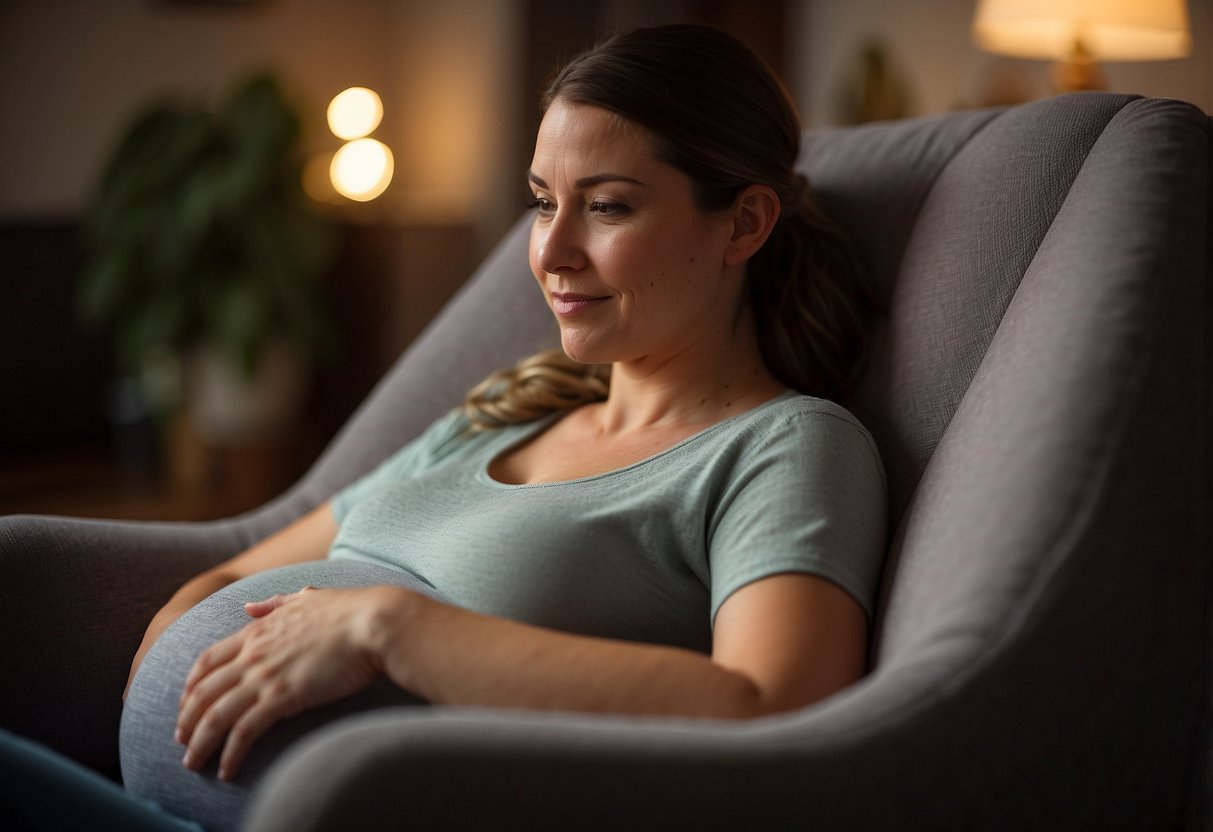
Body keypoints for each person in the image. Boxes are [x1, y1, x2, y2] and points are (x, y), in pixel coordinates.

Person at [1, 23, 886, 831]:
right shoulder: (510, 410)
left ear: (744, 222)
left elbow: (775, 712)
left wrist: (392, 629)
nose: (550, 251)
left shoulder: (784, 445)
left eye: (608, 206)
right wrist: (181, 623)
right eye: (543, 201)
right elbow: (254, 556)